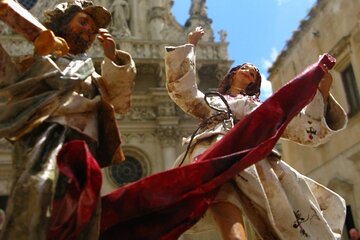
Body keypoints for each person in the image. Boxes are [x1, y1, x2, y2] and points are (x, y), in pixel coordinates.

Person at [164, 26, 348, 240]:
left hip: (251, 156)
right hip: (214, 149)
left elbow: (300, 127)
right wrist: (191, 45)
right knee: (221, 193)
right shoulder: (212, 102)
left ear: (253, 83)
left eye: (254, 72)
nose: (251, 70)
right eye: (246, 68)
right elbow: (184, 92)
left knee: (275, 220)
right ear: (233, 74)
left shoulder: (260, 109)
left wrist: (322, 92)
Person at [0, 0, 136, 239]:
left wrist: (114, 59)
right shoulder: (40, 62)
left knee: (85, 210)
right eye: (82, 22)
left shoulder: (91, 73)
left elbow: (120, 100)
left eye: (93, 30)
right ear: (62, 25)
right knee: (37, 188)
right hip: (47, 134)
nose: (89, 31)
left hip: (85, 145)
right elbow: (10, 79)